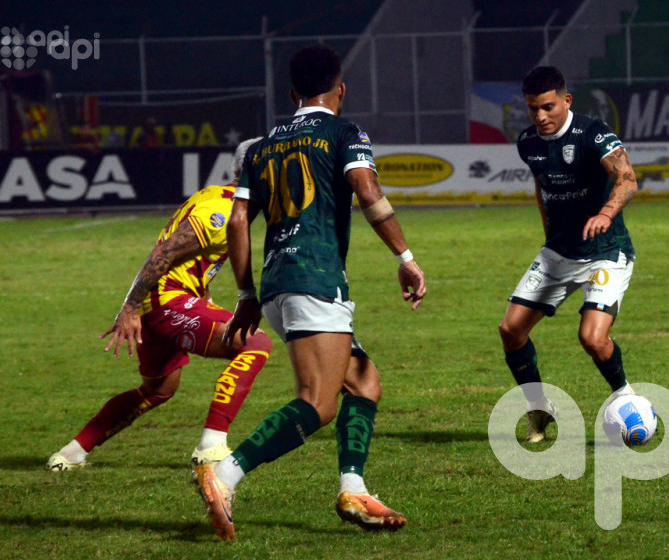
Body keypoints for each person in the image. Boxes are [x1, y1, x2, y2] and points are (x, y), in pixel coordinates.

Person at [192, 44, 427, 540]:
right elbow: (367, 190)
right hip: (314, 279)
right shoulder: (345, 132)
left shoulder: (261, 147)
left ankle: (353, 488)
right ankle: (225, 473)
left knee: (363, 382)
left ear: (292, 94)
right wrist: (405, 258)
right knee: (318, 402)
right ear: (341, 89)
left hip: (277, 284)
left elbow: (237, 220)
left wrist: (245, 294)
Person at [47, 137, 272, 471]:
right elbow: (164, 253)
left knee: (158, 389)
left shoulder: (221, 199)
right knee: (255, 343)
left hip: (164, 303)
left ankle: (71, 453)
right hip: (167, 303)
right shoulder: (220, 210)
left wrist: (202, 296)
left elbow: (189, 259)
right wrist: (129, 308)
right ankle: (211, 445)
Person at [499, 66, 639, 443]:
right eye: (533, 109)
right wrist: (548, 234)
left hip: (605, 251)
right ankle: (539, 408)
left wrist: (605, 214)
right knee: (511, 330)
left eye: (548, 107)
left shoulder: (593, 134)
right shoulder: (528, 142)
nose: (540, 116)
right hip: (558, 253)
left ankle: (627, 399)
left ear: (566, 100)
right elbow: (541, 186)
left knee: (592, 338)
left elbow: (627, 179)